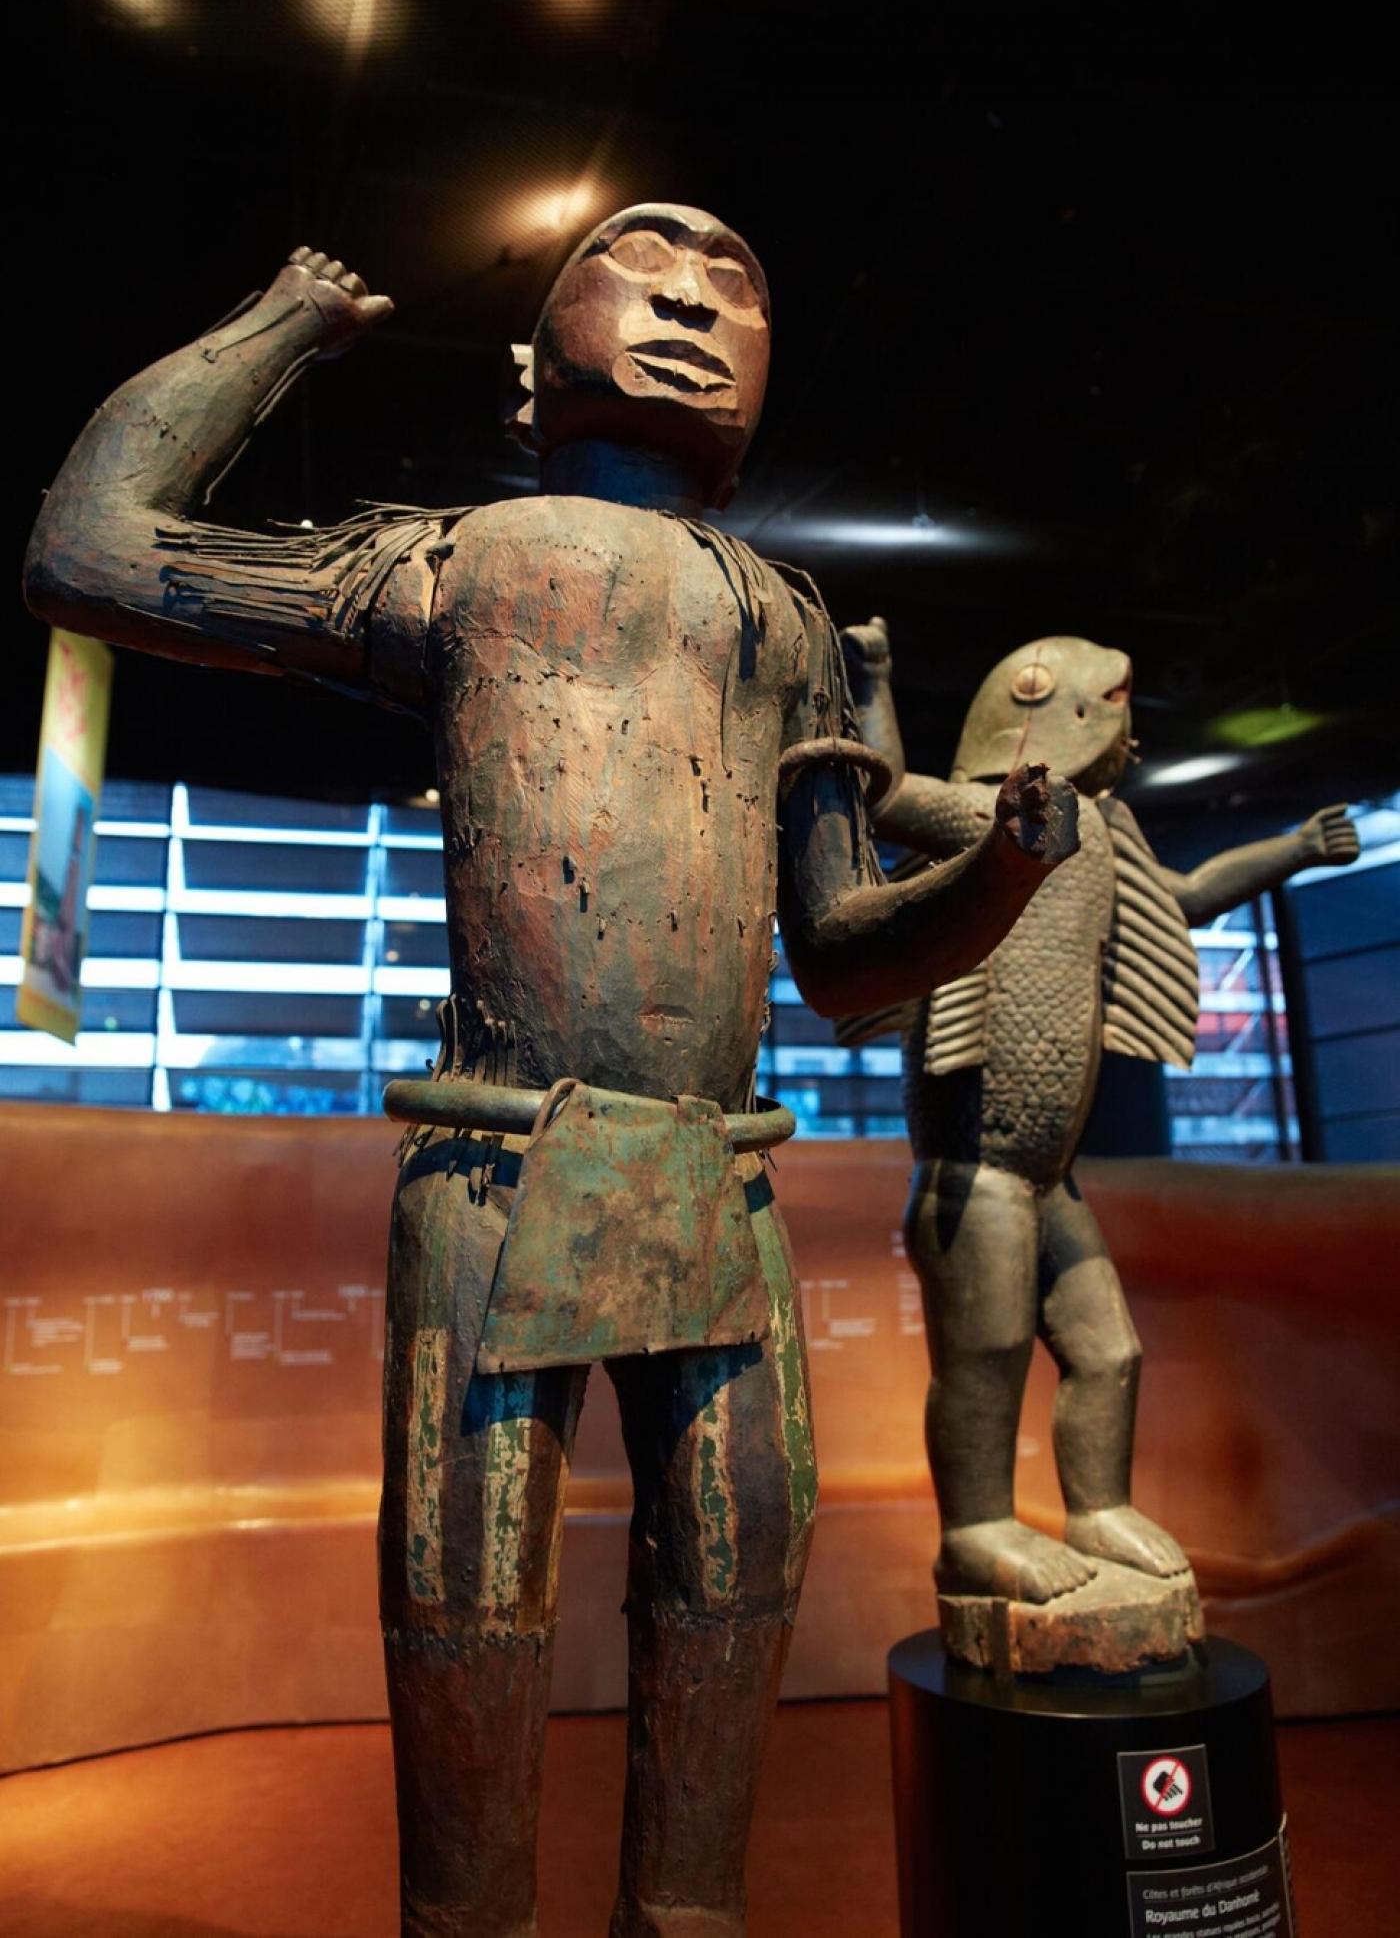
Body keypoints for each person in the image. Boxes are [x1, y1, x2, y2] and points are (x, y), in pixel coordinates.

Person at [26, 211, 1077, 1937]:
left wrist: (1001, 881)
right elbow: (92, 551)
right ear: (526, 372)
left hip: (718, 1182)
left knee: (732, 1592)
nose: (686, 301)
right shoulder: (463, 561)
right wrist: (284, 321)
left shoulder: (784, 618)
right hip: (501, 1173)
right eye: (642, 265)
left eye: (735, 284)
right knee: (465, 1609)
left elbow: (837, 961)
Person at [841, 619, 1359, 1630]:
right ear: (1063, 712)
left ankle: (1098, 1505)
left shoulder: (1104, 832)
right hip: (973, 1171)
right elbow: (888, 796)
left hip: (1046, 1175)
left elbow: (1192, 894)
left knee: (1108, 1353)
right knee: (982, 1355)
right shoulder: (991, 820)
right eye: (1116, 712)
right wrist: (874, 678)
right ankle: (975, 1528)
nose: (1130, 741)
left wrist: (1293, 848)